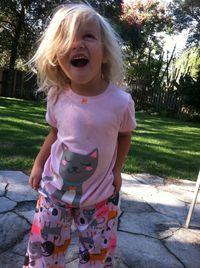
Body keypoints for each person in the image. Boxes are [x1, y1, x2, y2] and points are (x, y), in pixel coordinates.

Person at [23, 3, 136, 268]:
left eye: (87, 36)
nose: (77, 45)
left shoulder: (120, 102)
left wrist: (117, 170)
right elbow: (54, 134)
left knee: (96, 258)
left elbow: (124, 136)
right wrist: (39, 164)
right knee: (43, 256)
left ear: (105, 54)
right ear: (56, 56)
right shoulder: (57, 96)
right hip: (54, 194)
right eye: (67, 39)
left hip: (99, 199)